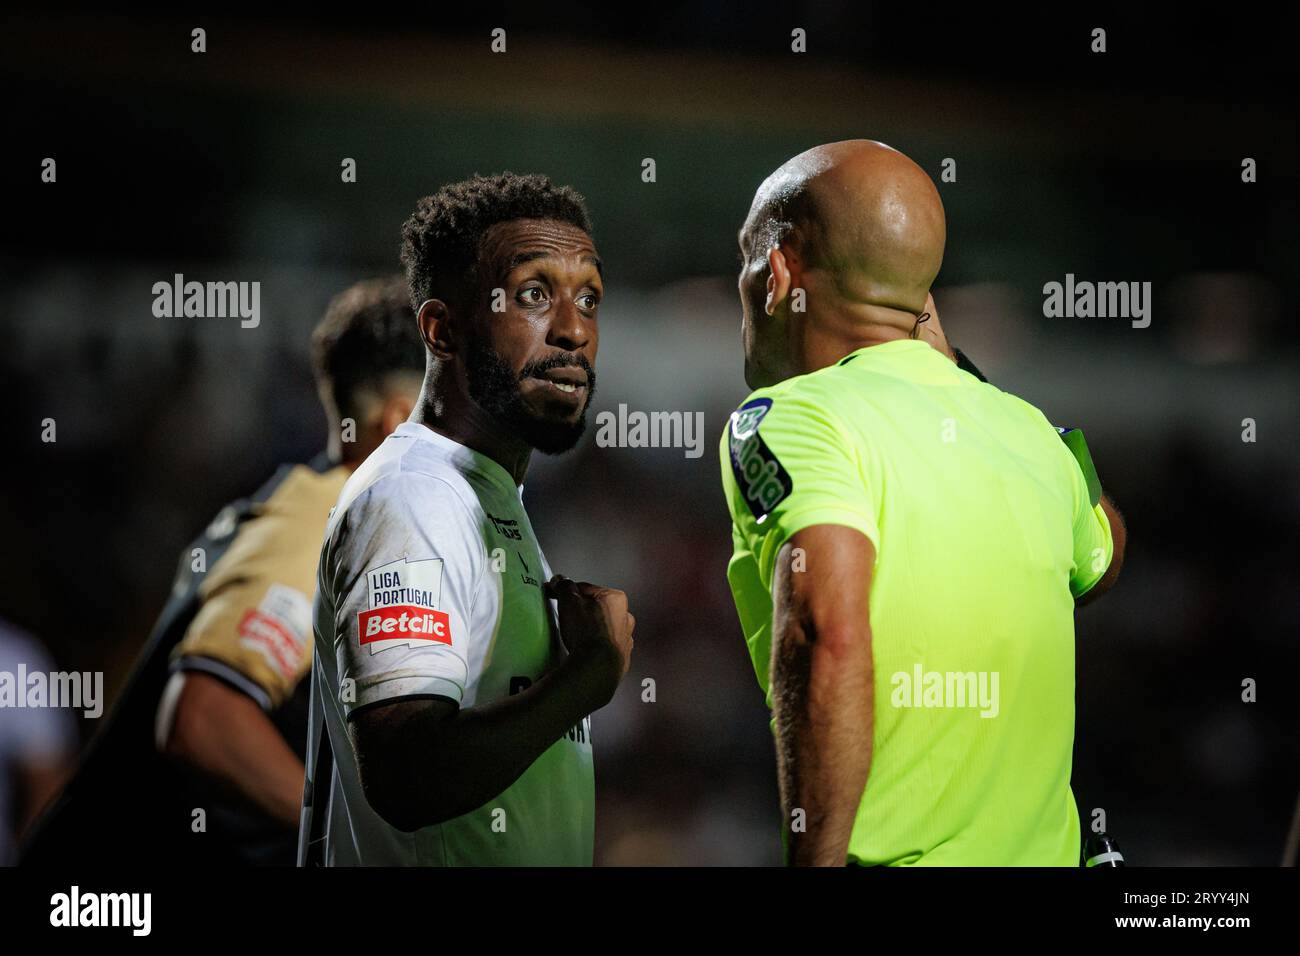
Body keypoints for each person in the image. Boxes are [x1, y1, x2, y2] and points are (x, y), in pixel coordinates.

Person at [719, 140, 1126, 866]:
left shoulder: (791, 416)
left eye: (745, 266)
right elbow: (1103, 555)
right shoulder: (1027, 430)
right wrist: (972, 382)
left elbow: (824, 633)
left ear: (777, 275)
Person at [21, 277, 424, 866]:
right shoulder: (327, 519)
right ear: (395, 421)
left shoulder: (324, 514)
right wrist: (357, 842)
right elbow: (204, 716)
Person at [300, 173, 634, 866]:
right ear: (442, 328)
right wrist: (585, 682)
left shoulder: (484, 495)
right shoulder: (414, 498)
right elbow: (405, 773)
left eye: (589, 298)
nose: (573, 329)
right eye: (534, 294)